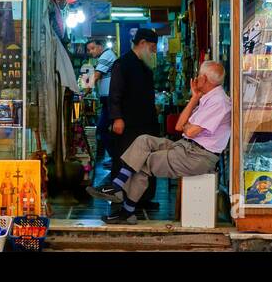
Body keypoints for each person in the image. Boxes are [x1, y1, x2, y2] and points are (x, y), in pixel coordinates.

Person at [90, 60, 231, 224]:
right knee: (143, 141)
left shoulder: (219, 102)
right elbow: (180, 126)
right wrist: (194, 98)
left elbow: (190, 131)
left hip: (197, 156)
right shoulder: (207, 98)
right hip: (186, 147)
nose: (196, 78)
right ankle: (116, 188)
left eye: (199, 75)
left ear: (205, 79)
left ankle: (125, 206)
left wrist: (187, 126)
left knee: (142, 163)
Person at [103, 29, 160, 186]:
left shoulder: (145, 65)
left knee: (147, 160)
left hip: (146, 122)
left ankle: (144, 198)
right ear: (142, 43)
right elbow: (114, 94)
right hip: (128, 123)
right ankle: (120, 196)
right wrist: (117, 118)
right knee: (125, 159)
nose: (154, 52)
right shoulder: (122, 64)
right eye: (153, 47)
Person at [85, 38, 117, 175]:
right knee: (105, 130)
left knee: (102, 129)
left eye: (92, 48)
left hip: (111, 99)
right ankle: (115, 158)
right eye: (89, 50)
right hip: (107, 99)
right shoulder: (105, 56)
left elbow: (97, 75)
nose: (91, 52)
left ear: (100, 46)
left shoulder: (107, 55)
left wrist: (84, 91)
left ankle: (116, 158)